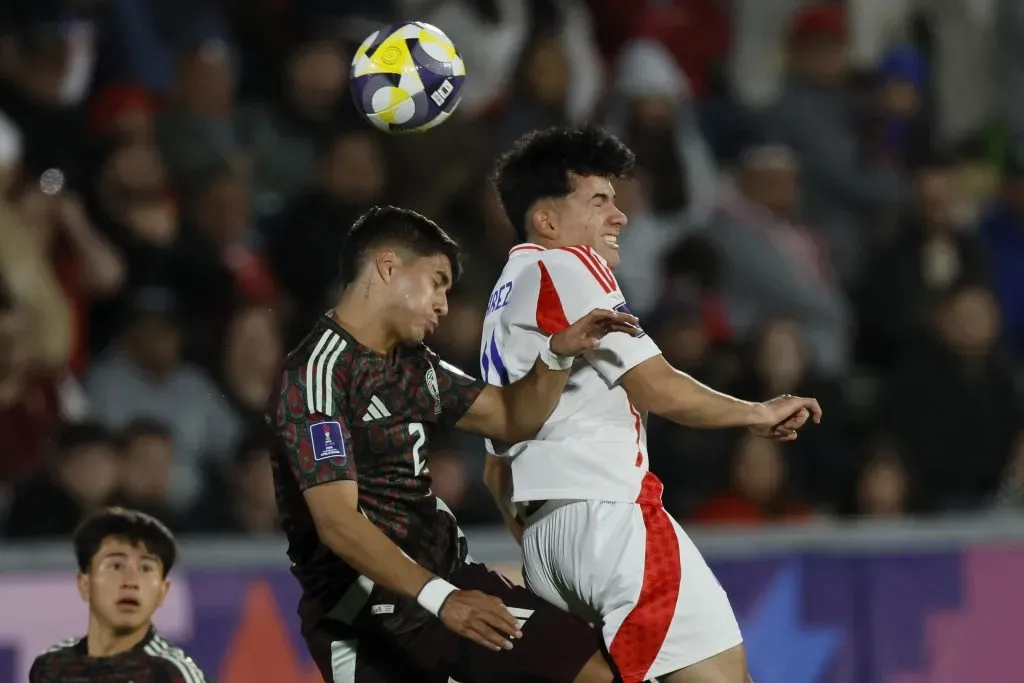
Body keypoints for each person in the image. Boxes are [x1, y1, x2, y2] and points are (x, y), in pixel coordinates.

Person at [482, 124, 822, 683]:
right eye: (598, 201)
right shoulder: (567, 265)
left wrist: (550, 538)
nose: (619, 216)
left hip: (545, 540)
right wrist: (755, 412)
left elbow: (497, 469)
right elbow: (657, 386)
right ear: (547, 221)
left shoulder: (504, 303)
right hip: (610, 519)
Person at [266, 204, 638, 683]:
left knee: (597, 674)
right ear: (387, 266)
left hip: (454, 581)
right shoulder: (316, 375)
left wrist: (556, 355)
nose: (444, 303)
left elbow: (510, 417)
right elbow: (338, 522)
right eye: (437, 281)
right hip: (361, 616)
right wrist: (441, 600)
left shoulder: (414, 365)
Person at [29, 507, 206, 683]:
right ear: (85, 584)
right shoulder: (52, 667)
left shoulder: (170, 673)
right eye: (116, 566)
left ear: (162, 592)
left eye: (145, 568)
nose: (131, 582)